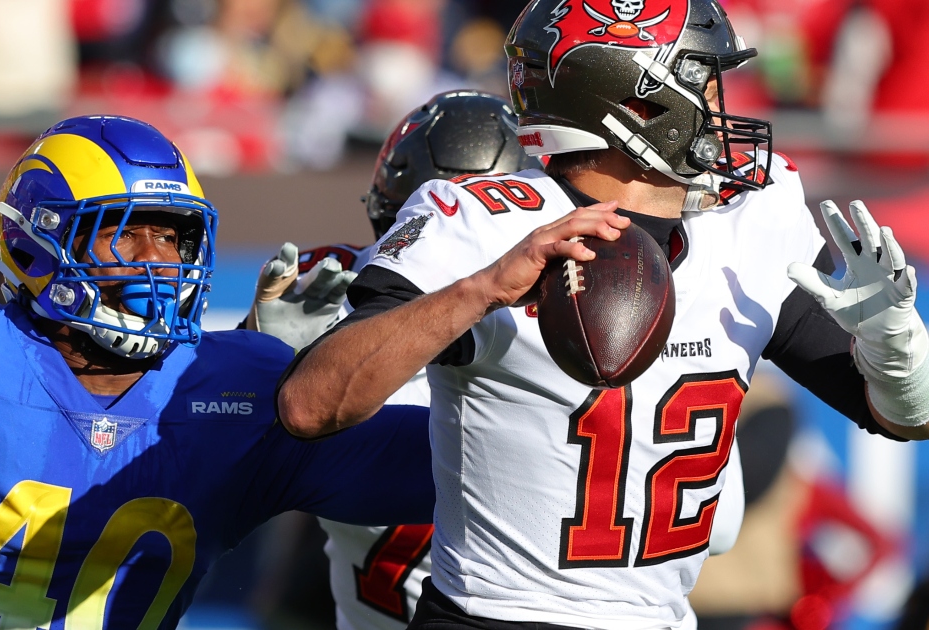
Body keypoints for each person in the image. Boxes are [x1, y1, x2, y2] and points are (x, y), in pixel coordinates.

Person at [276, 1, 929, 628]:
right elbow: (310, 405)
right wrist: (479, 290)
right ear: (635, 100)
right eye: (703, 82)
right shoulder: (477, 220)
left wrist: (894, 345)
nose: (719, 107)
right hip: (494, 616)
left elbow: (910, 419)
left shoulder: (754, 219)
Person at [0, 115, 434, 629]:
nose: (156, 258)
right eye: (125, 228)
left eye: (173, 233)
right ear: (34, 244)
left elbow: (447, 463)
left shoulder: (235, 385)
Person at [253, 89, 746, 630]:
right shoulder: (331, 302)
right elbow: (235, 445)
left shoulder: (604, 319)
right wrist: (259, 365)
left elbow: (718, 526)